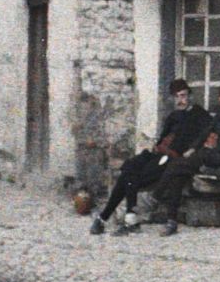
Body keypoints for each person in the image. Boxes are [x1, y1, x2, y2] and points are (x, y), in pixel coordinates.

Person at [90, 79, 210, 234]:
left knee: (129, 176)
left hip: (172, 159)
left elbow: (209, 133)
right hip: (158, 154)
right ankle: (128, 218)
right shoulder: (173, 116)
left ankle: (107, 218)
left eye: (183, 96)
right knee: (130, 166)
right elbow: (163, 137)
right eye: (177, 97)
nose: (181, 100)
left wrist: (193, 149)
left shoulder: (199, 114)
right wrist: (156, 145)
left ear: (190, 96)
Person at [148, 85, 220, 236]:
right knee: (177, 175)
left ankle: (156, 195)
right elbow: (205, 133)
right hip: (210, 155)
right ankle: (171, 221)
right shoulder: (219, 116)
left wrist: (217, 152)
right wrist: (193, 148)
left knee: (177, 165)